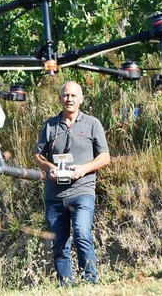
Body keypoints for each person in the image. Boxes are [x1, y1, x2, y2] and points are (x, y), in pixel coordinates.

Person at [34, 81, 110, 285]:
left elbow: (105, 157)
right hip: (54, 196)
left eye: (73, 96)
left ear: (81, 99)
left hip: (82, 191)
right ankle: (65, 284)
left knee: (82, 234)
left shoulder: (92, 123)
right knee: (59, 242)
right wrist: (49, 167)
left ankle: (89, 281)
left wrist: (83, 169)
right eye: (66, 96)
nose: (69, 99)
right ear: (59, 99)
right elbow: (38, 156)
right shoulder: (49, 125)